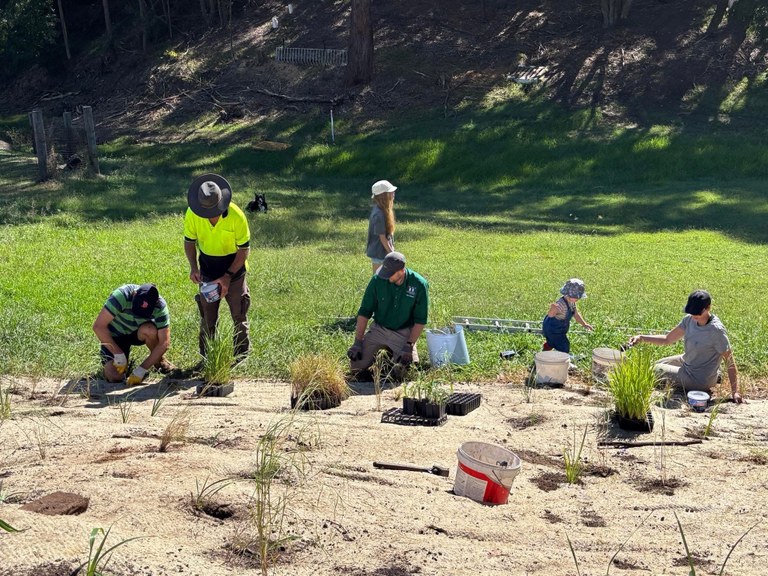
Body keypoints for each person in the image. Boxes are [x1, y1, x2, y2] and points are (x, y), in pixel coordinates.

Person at [629, 290, 743, 403]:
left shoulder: (716, 331)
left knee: (652, 370)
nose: (694, 316)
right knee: (655, 365)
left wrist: (735, 392)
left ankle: (712, 379)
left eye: (697, 312)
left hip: (698, 379)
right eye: (692, 312)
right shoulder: (689, 320)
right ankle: (716, 376)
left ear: (708, 308)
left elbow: (730, 361)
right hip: (688, 361)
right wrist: (641, 338)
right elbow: (667, 339)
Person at [184, 173, 251, 360]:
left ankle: (241, 356)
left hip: (235, 270)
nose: (210, 214)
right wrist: (193, 267)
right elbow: (189, 242)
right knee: (207, 316)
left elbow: (244, 250)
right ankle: (207, 357)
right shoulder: (192, 214)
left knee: (239, 314)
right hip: (207, 269)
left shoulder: (237, 215)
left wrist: (228, 276)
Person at [347, 251, 429, 375]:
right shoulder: (377, 280)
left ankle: (390, 358)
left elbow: (420, 320)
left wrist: (409, 345)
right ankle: (378, 355)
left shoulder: (419, 284)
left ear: (402, 271)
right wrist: (358, 342)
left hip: (404, 331)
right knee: (356, 368)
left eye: (390, 274)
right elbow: (364, 312)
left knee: (405, 371)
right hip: (380, 328)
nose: (386, 277)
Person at [92, 283, 173, 385]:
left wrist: (142, 370)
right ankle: (118, 362)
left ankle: (159, 361)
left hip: (138, 333)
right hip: (116, 335)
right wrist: (118, 353)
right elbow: (98, 327)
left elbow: (164, 343)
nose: (138, 314)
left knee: (150, 330)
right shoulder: (121, 296)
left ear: (156, 303)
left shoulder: (160, 306)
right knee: (114, 377)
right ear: (134, 295)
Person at [542, 278, 593, 353]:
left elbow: (576, 314)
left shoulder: (572, 303)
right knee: (564, 346)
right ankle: (562, 360)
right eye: (576, 297)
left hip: (559, 330)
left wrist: (584, 324)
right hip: (553, 329)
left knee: (552, 342)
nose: (577, 299)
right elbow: (550, 315)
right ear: (567, 294)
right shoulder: (561, 304)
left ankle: (546, 350)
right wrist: (552, 309)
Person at [366, 180, 397, 274]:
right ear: (383, 196)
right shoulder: (378, 214)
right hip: (379, 254)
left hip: (384, 252)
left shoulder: (383, 210)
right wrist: (392, 253)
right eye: (390, 192)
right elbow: (382, 237)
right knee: (379, 279)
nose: (393, 193)